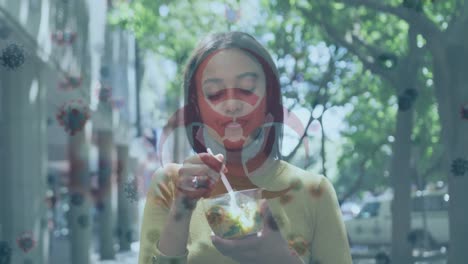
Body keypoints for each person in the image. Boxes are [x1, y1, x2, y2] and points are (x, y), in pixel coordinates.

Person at [138, 31, 352, 264]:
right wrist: (181, 210)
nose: (231, 105)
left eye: (248, 89)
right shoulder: (169, 184)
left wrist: (280, 258)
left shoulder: (315, 191)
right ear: (196, 106)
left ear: (270, 99)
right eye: (214, 93)